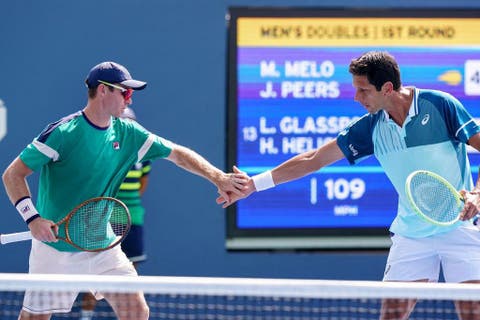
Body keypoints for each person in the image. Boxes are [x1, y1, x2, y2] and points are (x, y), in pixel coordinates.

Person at [217, 51, 480, 320]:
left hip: (462, 227)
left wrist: (477, 195)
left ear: (387, 88)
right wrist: (253, 185)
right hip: (412, 235)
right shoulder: (369, 128)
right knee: (392, 315)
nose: (357, 98)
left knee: (473, 313)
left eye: (363, 90)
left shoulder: (439, 105)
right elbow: (313, 159)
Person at [2, 61, 248, 320]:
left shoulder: (129, 132)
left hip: (103, 246)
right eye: (125, 92)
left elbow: (177, 154)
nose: (129, 100)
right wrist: (33, 218)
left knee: (136, 311)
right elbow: (13, 174)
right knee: (34, 318)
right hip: (55, 249)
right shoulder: (63, 132)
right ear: (103, 91)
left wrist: (218, 177)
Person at [79, 107, 152, 320]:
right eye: (123, 122)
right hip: (105, 218)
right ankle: (86, 316)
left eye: (131, 123)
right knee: (95, 273)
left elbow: (142, 184)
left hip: (133, 217)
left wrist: (126, 205)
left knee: (130, 273)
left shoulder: (143, 155)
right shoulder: (104, 151)